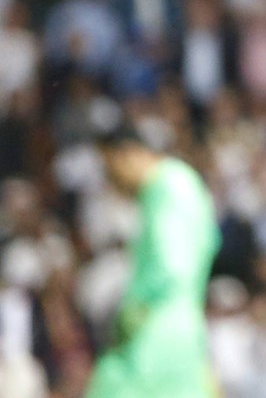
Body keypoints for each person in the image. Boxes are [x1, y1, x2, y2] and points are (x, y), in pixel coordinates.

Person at [86, 125, 221, 398]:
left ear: (126, 155)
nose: (110, 180)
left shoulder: (167, 186)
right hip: (183, 327)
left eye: (108, 166)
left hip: (158, 328)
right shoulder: (181, 184)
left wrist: (132, 311)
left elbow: (171, 264)